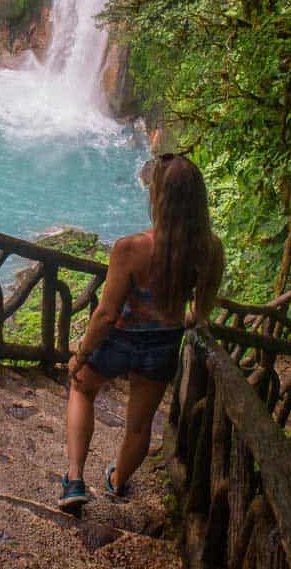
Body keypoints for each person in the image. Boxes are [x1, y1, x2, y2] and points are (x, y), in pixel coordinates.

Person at [59, 153, 224, 510]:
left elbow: (106, 314)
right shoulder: (209, 249)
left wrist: (82, 354)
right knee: (138, 425)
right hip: (162, 345)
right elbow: (201, 311)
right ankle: (117, 484)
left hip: (117, 341)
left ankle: (74, 480)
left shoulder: (131, 248)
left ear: (159, 198)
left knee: (81, 388)